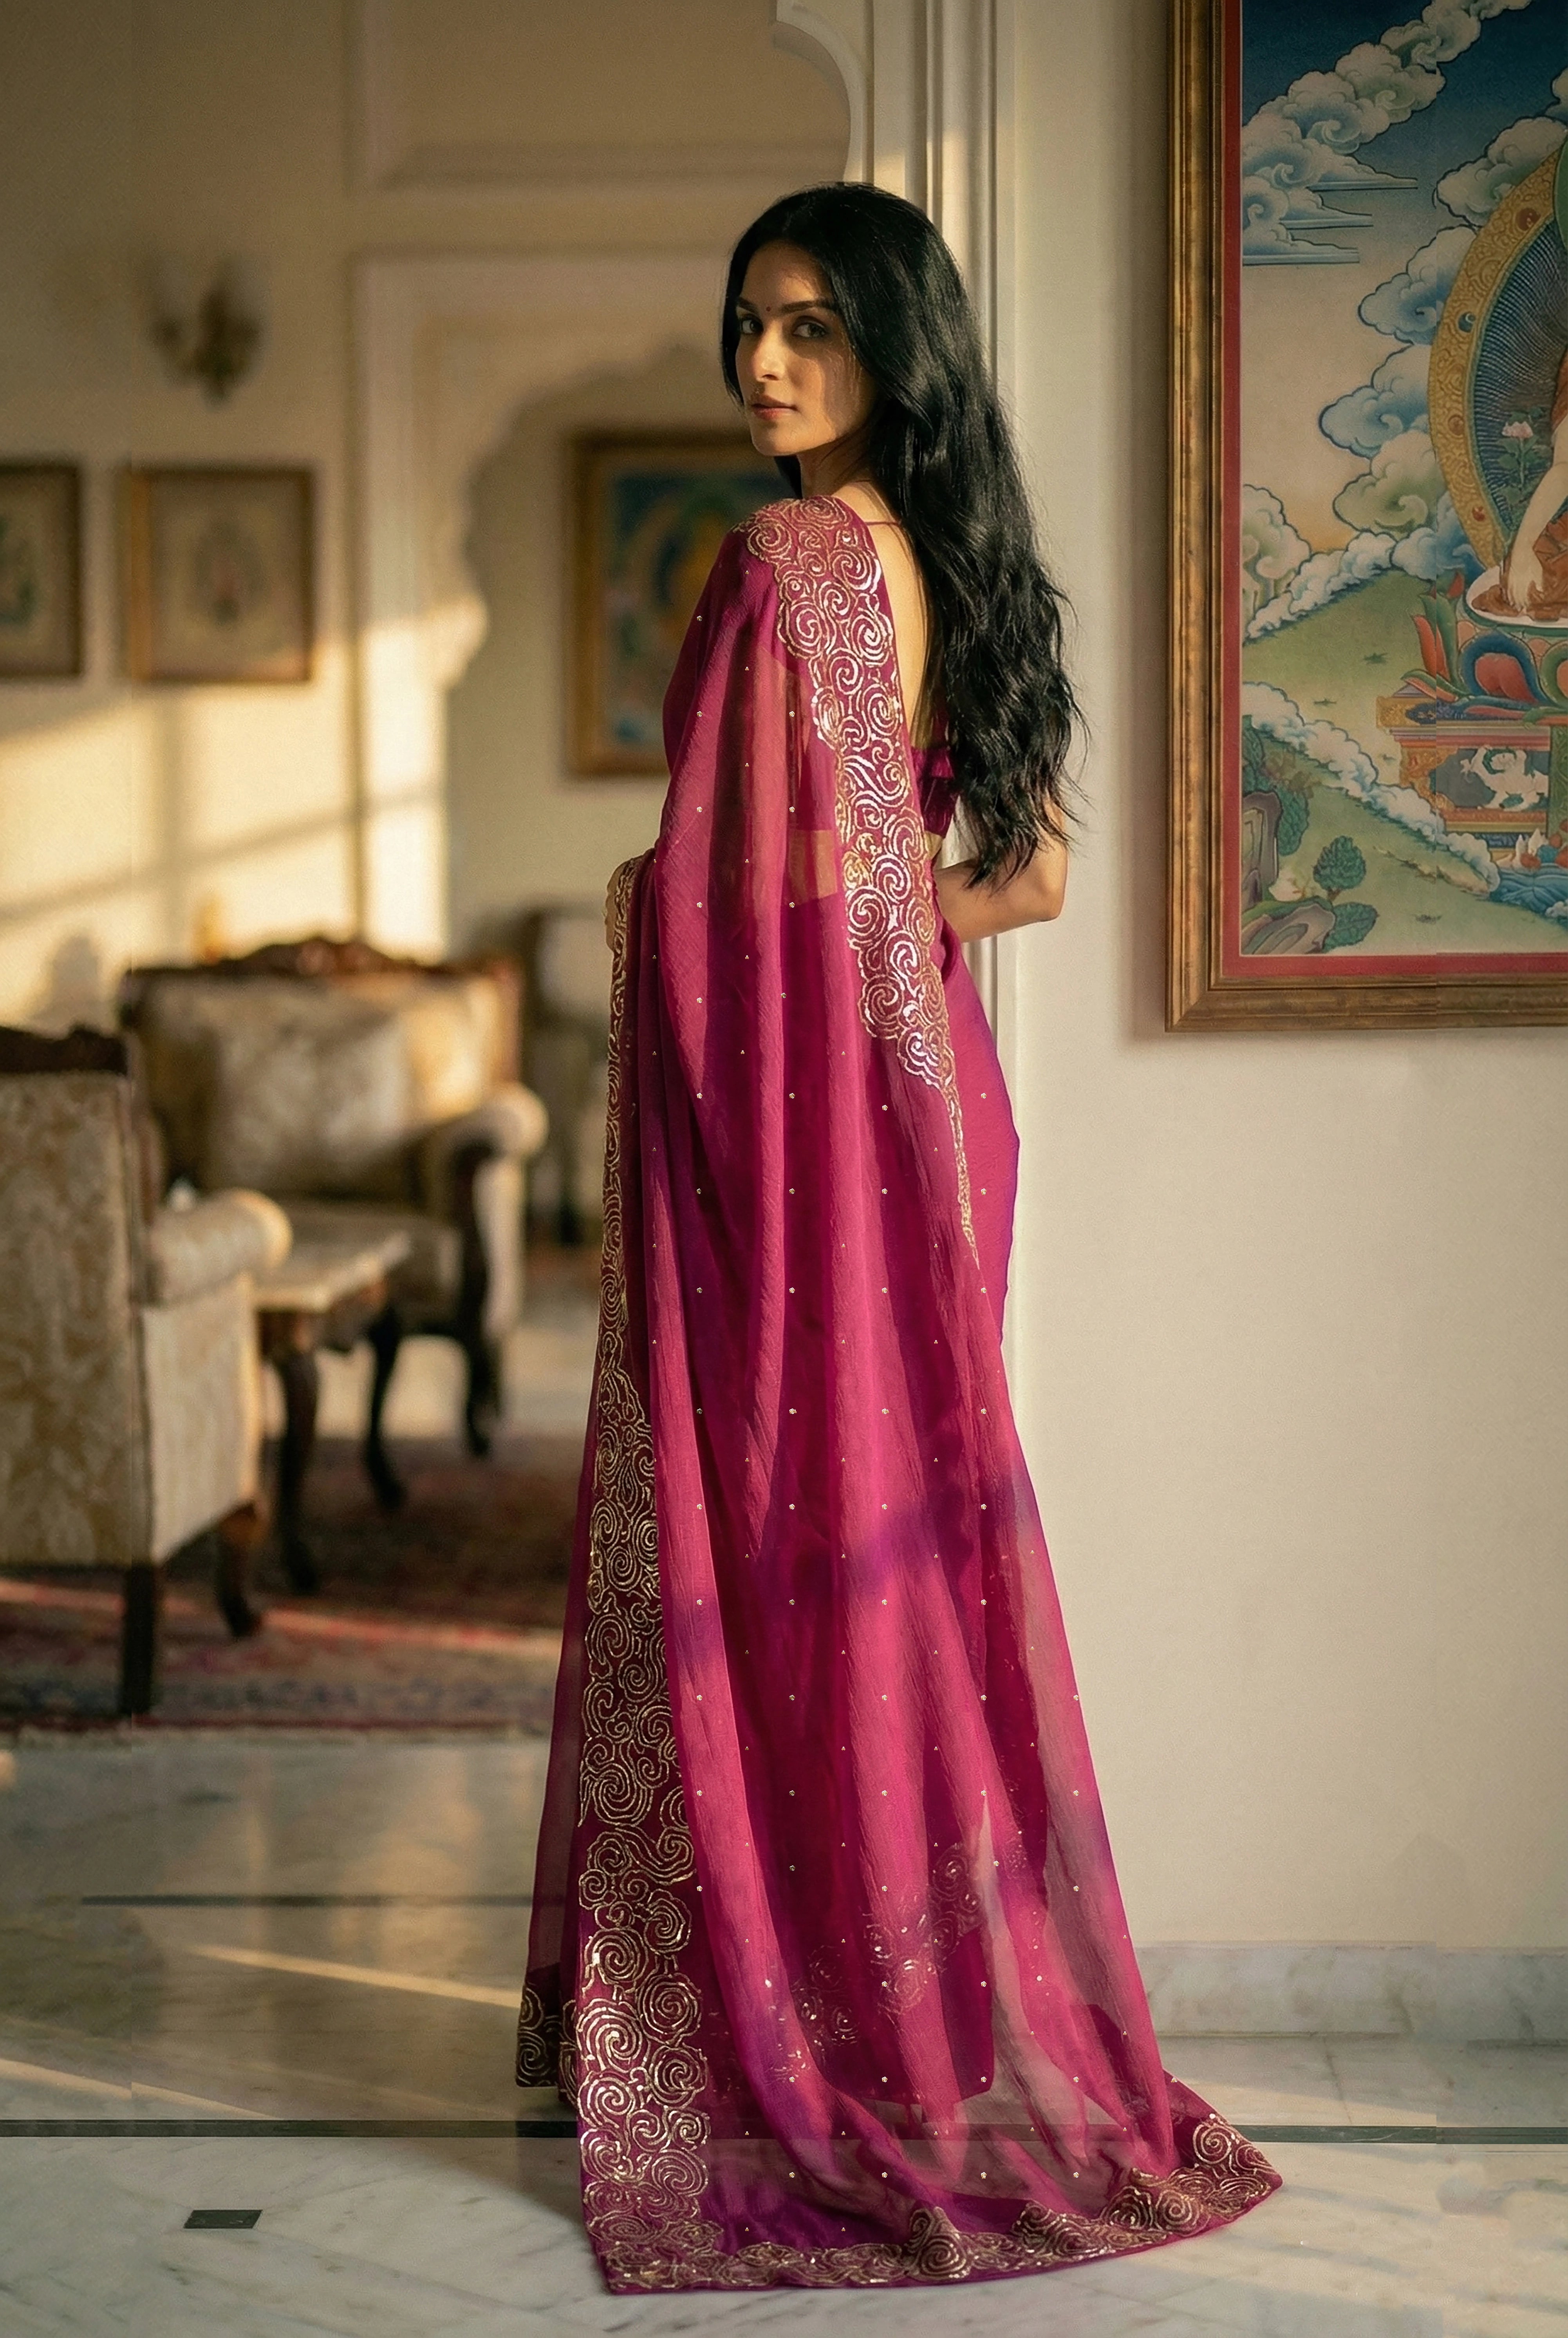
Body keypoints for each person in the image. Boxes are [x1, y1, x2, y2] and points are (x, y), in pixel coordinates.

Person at [518, 182, 1279, 2295]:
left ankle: (781, 2050)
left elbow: (722, 906)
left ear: (892, 347)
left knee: (775, 1556)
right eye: (748, 324)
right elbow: (1007, 882)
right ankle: (915, 2030)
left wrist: (631, 900)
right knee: (888, 1559)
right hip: (926, 1120)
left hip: (801, 1138)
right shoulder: (957, 563)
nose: (764, 365)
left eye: (812, 331)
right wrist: (861, 940)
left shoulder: (782, 563)